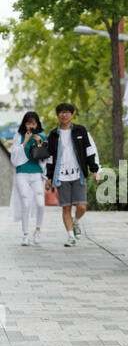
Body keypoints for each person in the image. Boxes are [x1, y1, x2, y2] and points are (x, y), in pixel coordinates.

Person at [46, 103, 101, 247]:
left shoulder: (80, 131)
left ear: (72, 114)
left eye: (67, 112)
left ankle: (76, 222)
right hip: (61, 176)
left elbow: (89, 151)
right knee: (67, 207)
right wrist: (49, 177)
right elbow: (50, 157)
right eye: (61, 112)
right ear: (58, 115)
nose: (64, 115)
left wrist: (95, 170)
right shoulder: (53, 135)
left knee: (82, 207)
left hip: (78, 174)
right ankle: (71, 236)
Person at [10, 111, 46, 246]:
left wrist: (40, 143)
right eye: (28, 123)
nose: (31, 125)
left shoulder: (41, 137)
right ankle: (25, 235)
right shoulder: (18, 136)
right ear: (24, 124)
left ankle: (37, 231)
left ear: (37, 124)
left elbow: (45, 159)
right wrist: (25, 141)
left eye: (33, 123)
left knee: (40, 203)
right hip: (22, 174)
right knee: (25, 204)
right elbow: (14, 158)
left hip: (36, 174)